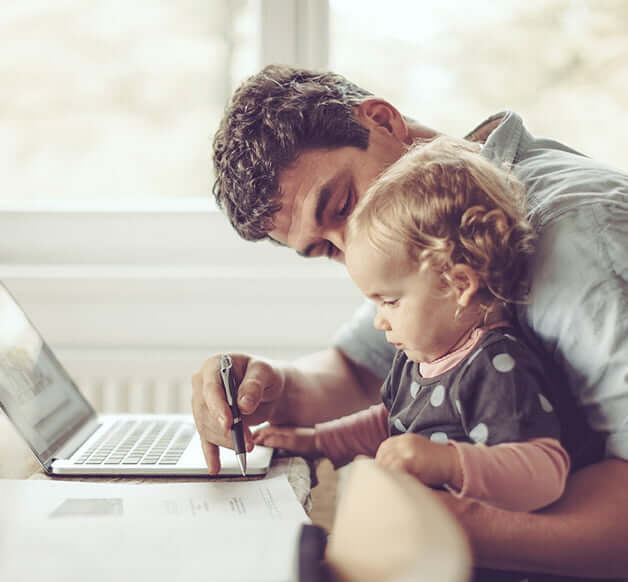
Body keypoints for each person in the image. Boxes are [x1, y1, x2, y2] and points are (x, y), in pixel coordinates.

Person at [191, 65, 628, 579]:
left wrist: (442, 525)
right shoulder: (429, 215)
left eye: (342, 206)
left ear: (382, 120)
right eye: (325, 250)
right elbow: (359, 371)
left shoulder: (576, 236)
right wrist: (271, 387)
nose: (351, 247)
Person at [254, 135, 574, 519]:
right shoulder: (417, 360)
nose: (379, 320)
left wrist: (447, 462)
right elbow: (389, 422)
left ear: (458, 285)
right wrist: (318, 441)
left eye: (389, 301)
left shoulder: (496, 366)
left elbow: (545, 472)